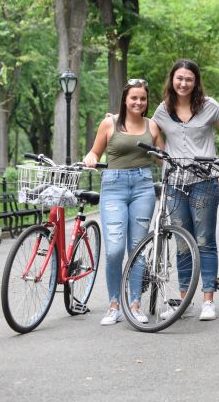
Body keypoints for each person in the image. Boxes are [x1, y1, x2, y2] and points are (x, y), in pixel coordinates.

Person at [152, 59, 219, 321]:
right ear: (172, 80)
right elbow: (150, 134)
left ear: (196, 82)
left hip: (204, 183)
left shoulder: (208, 107)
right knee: (182, 242)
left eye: (189, 79)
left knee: (204, 240)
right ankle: (183, 301)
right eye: (179, 78)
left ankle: (208, 300)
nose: (183, 83)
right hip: (175, 184)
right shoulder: (162, 110)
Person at [84, 78, 163, 326]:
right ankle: (114, 305)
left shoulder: (153, 126)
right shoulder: (109, 123)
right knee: (115, 249)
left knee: (137, 250)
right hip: (114, 187)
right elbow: (95, 152)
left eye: (143, 98)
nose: (138, 102)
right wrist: (90, 157)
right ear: (125, 100)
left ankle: (134, 304)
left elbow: (163, 157)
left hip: (143, 186)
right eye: (134, 98)